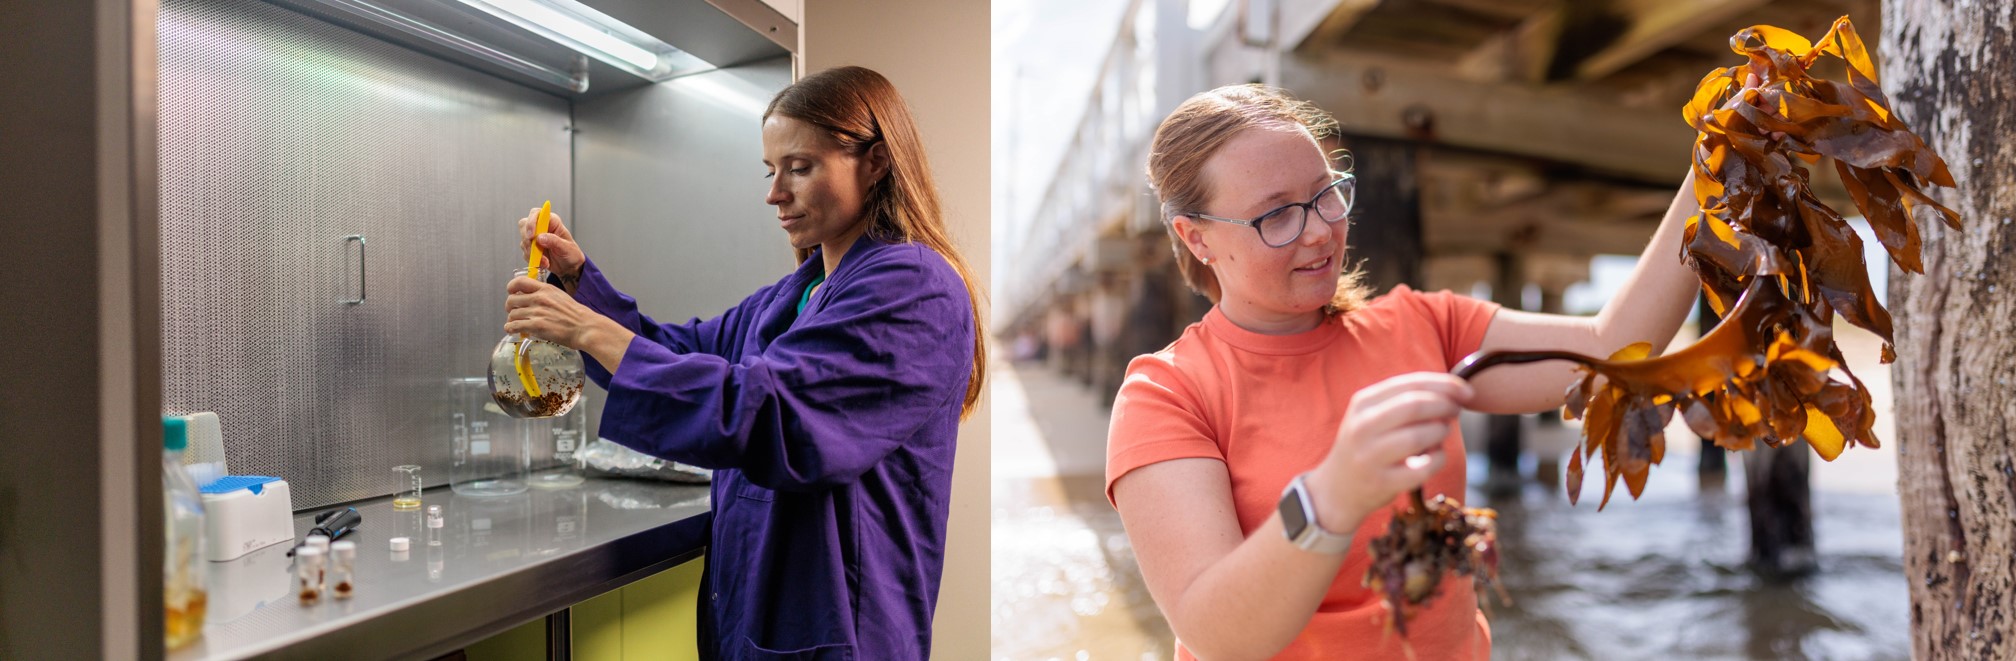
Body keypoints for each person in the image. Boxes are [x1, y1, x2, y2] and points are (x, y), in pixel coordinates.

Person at [1104, 82, 1750, 659]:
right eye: (1276, 214)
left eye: (1327, 195)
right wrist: (1331, 495)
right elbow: (1219, 634)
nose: (1319, 231)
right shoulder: (1167, 393)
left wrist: (1711, 164)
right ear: (1196, 237)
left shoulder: (1421, 324)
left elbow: (1614, 349)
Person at [502, 66, 982, 660]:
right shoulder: (797, 294)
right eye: (770, 170)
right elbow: (675, 352)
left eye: (799, 168)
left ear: (877, 162)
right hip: (759, 615)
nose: (774, 193)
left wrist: (588, 330)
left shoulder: (914, 288)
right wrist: (578, 283)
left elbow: (772, 412)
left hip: (841, 626)